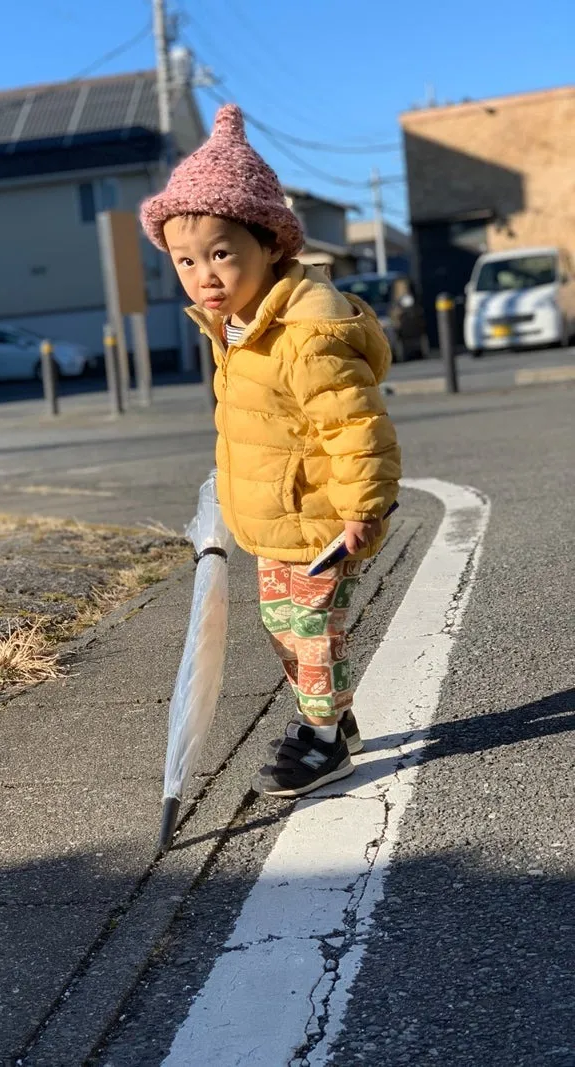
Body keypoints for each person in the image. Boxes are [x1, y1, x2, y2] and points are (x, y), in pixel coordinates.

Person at [140, 104, 401, 798]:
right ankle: (333, 723)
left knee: (309, 629)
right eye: (187, 261)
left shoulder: (302, 330)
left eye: (222, 254)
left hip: (320, 518)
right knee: (283, 626)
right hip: (275, 518)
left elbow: (354, 423)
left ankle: (322, 740)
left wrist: (362, 510)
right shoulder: (236, 326)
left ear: (271, 245)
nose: (206, 276)